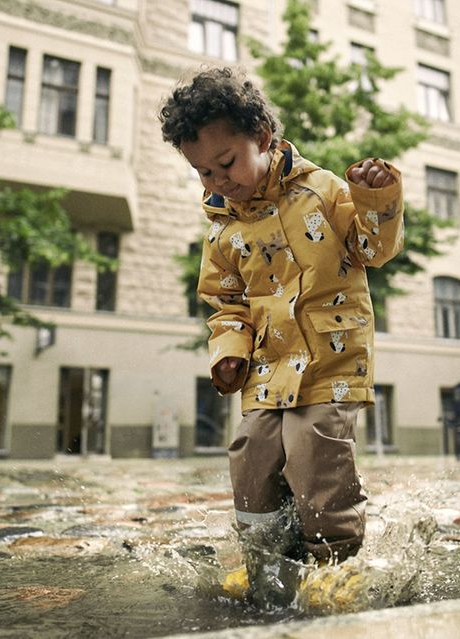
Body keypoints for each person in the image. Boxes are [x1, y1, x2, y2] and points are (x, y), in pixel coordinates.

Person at [159, 67, 404, 605]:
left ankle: (336, 561)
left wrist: (375, 200)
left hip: (330, 354)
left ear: (264, 139)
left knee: (312, 447)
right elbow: (226, 305)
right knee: (252, 451)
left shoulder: (321, 191)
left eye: (226, 163)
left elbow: (373, 248)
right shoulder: (222, 230)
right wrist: (227, 352)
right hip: (267, 364)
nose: (218, 180)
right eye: (203, 172)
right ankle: (268, 560)